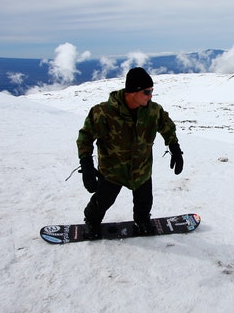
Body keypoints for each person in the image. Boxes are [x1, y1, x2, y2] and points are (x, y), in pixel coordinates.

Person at [76, 67, 184, 239]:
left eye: (152, 91)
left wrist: (175, 148)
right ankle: (91, 222)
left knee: (144, 202)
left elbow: (167, 127)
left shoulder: (153, 110)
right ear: (133, 92)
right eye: (147, 92)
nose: (151, 96)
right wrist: (86, 165)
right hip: (113, 171)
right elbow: (85, 138)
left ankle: (141, 222)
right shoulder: (103, 112)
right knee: (102, 201)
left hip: (142, 169)